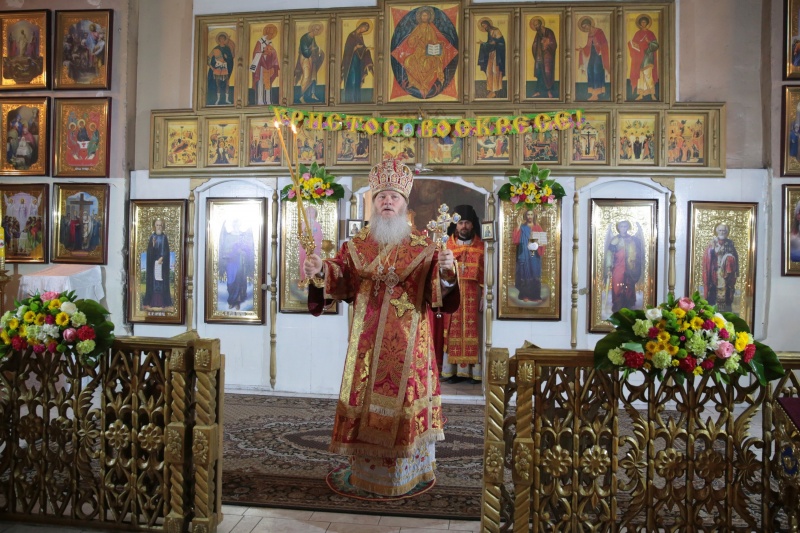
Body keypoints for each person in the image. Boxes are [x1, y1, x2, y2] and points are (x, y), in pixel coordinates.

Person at [302, 158, 458, 497]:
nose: (387, 201)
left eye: (394, 197)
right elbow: (341, 276)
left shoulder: (424, 247)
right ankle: (366, 473)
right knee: (366, 400)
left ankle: (410, 472)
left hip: (409, 346)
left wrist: (447, 269)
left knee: (404, 402)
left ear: (404, 204)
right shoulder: (356, 246)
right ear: (374, 203)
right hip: (367, 344)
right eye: (381, 196)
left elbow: (439, 293)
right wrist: (320, 269)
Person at [440, 205, 484, 384]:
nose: (464, 226)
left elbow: (486, 273)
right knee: (452, 332)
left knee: (474, 332)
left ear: (472, 225)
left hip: (474, 294)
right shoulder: (447, 246)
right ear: (455, 225)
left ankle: (474, 372)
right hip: (453, 293)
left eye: (467, 223)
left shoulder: (482, 246)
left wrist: (485, 295)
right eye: (460, 223)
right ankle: (452, 371)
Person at [401, 7, 446, 98]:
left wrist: (439, 43)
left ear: (429, 17)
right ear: (420, 17)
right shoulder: (417, 28)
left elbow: (434, 42)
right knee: (407, 62)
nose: (424, 17)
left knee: (426, 64)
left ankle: (424, 85)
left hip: (428, 53)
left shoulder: (431, 29)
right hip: (418, 52)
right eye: (423, 16)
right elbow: (410, 42)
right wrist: (415, 39)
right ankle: (415, 83)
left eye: (426, 16)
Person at [603, 220, 644, 313]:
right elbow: (609, 254)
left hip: (630, 267)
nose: (623, 228)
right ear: (618, 228)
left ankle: (629, 304)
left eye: (625, 226)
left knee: (629, 286)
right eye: (621, 226)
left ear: (628, 227)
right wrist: (609, 267)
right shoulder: (615, 240)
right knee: (617, 286)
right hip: (618, 267)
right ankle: (618, 305)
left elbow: (637, 253)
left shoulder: (633, 239)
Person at [218, 219, 255, 311]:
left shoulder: (243, 235)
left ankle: (237, 301)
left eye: (238, 224)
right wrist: (234, 251)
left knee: (239, 280)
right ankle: (231, 301)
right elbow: (225, 250)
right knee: (231, 281)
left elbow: (248, 249)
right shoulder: (228, 236)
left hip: (240, 262)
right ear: (233, 225)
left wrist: (243, 251)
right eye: (235, 224)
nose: (236, 226)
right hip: (231, 263)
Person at [702, 223, 739, 312]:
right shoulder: (712, 243)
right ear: (717, 231)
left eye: (724, 231)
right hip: (714, 272)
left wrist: (729, 259)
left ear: (727, 232)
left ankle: (725, 310)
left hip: (726, 272)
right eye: (720, 230)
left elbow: (735, 257)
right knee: (713, 291)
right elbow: (707, 258)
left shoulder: (730, 244)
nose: (722, 232)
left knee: (726, 291)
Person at [512, 209, 546, 302]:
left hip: (534, 254)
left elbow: (543, 242)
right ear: (525, 216)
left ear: (534, 216)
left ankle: (536, 296)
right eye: (528, 214)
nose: (530, 216)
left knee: (535, 273)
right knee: (525, 272)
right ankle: (524, 295)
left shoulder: (538, 227)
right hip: (525, 253)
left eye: (531, 214)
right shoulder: (522, 227)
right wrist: (518, 226)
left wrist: (540, 243)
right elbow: (515, 241)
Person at [576, 16, 610, 101]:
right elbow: (588, 46)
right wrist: (582, 49)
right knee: (589, 70)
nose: (585, 28)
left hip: (599, 54)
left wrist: (600, 48)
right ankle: (592, 92)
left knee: (596, 70)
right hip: (592, 54)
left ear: (589, 24)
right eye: (584, 27)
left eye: (586, 26)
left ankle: (596, 93)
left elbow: (605, 43)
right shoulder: (589, 34)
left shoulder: (599, 31)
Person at [142, 218, 172, 309]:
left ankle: (163, 303)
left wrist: (162, 257)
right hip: (153, 264)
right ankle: (152, 302)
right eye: (157, 225)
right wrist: (153, 245)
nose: (159, 227)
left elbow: (166, 250)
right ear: (154, 226)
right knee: (153, 282)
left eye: (160, 225)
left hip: (162, 264)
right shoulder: (152, 237)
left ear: (162, 227)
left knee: (161, 282)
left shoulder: (164, 237)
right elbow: (149, 251)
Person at [627, 15, 659, 101]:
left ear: (647, 23)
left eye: (644, 22)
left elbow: (656, 45)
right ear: (640, 24)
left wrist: (649, 42)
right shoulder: (637, 33)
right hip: (639, 57)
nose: (643, 24)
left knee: (648, 75)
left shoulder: (650, 33)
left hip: (648, 57)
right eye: (642, 22)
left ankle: (652, 94)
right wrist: (632, 44)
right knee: (640, 76)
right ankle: (641, 94)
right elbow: (634, 44)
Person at [341, 21, 374, 103]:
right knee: (352, 80)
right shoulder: (351, 36)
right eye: (364, 28)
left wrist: (366, 49)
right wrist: (355, 47)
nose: (364, 30)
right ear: (361, 26)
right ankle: (350, 100)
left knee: (357, 81)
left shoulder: (360, 37)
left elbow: (362, 49)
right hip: (351, 63)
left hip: (358, 63)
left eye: (366, 29)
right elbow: (347, 50)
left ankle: (356, 100)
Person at [294, 23, 325, 104]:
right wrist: (312, 49)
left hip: (310, 58)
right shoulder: (305, 38)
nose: (317, 31)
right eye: (316, 29)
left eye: (318, 30)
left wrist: (319, 51)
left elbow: (315, 48)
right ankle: (300, 96)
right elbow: (305, 52)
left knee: (312, 77)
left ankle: (308, 95)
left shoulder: (312, 38)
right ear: (312, 29)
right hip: (305, 58)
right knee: (306, 77)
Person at [250, 24, 280, 105]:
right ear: (267, 32)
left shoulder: (271, 43)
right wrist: (263, 53)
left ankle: (268, 100)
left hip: (268, 65)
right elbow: (256, 53)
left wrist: (272, 53)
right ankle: (260, 101)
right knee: (260, 82)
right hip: (261, 66)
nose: (271, 35)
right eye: (270, 33)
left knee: (268, 82)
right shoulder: (260, 41)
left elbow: (273, 53)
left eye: (273, 34)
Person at [477, 18, 505, 98]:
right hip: (491, 54)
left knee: (494, 71)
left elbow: (501, 42)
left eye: (484, 25)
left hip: (497, 55)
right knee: (489, 71)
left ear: (488, 24)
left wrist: (495, 42)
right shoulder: (489, 32)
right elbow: (490, 44)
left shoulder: (496, 30)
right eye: (482, 26)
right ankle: (491, 90)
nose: (484, 27)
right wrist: (483, 44)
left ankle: (494, 91)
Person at [530, 16, 557, 98]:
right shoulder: (538, 34)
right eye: (535, 25)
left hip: (547, 57)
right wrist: (535, 48)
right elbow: (535, 44)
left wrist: (546, 41)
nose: (536, 27)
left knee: (548, 73)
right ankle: (538, 91)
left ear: (541, 24)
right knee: (540, 73)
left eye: (537, 25)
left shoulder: (549, 31)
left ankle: (549, 91)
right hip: (539, 57)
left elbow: (553, 43)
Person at [297, 206, 323, 284]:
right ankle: (303, 279)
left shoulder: (317, 225)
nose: (310, 214)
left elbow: (320, 236)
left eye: (312, 212)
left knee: (314, 262)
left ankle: (314, 279)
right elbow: (300, 235)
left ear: (315, 215)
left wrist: (313, 241)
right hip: (304, 248)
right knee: (304, 263)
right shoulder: (302, 224)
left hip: (314, 248)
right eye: (308, 212)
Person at [207, 32, 235, 105]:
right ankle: (218, 100)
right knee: (218, 85)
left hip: (225, 69)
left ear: (225, 40)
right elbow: (208, 58)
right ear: (218, 40)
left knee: (227, 84)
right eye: (220, 39)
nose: (222, 40)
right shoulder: (216, 49)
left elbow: (230, 59)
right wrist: (212, 68)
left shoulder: (227, 48)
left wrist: (227, 57)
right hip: (218, 69)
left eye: (223, 39)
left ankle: (227, 99)